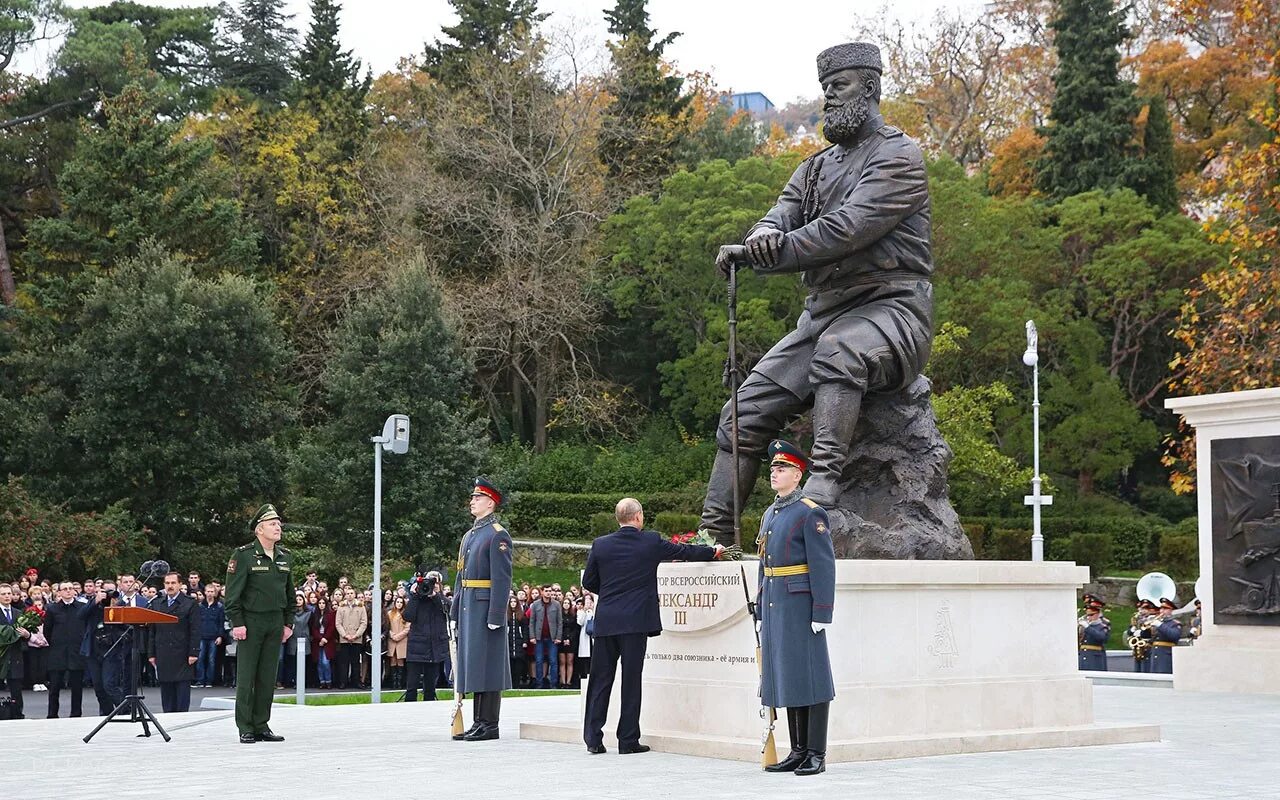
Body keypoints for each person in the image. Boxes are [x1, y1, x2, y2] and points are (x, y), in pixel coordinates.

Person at [702, 42, 933, 544]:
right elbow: (781, 213)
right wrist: (756, 239)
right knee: (742, 412)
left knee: (839, 350)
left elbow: (845, 229)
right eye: (825, 89)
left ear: (870, 88)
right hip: (824, 315)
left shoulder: (899, 156)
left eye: (839, 87)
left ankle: (824, 484)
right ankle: (715, 535)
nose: (828, 98)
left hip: (893, 311)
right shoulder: (814, 168)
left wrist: (773, 253)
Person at [582, 497, 725, 755]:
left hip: (607, 620)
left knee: (600, 680)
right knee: (631, 681)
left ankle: (593, 738)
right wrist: (712, 552)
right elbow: (684, 552)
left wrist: (613, 593)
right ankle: (627, 741)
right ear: (638, 517)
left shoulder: (600, 545)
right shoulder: (649, 541)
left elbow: (590, 581)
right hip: (636, 622)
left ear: (618, 518)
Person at [756, 441, 836, 776]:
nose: (774, 474)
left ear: (797, 473)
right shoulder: (770, 513)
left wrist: (821, 612)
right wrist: (761, 607)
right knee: (788, 676)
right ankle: (798, 749)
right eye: (773, 468)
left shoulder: (809, 512)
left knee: (812, 677)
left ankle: (816, 751)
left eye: (782, 468)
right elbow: (763, 564)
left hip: (801, 604)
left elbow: (824, 564)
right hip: (777, 603)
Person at [450, 477, 515, 741]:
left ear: (490, 503)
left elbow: (502, 578)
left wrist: (497, 614)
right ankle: (479, 721)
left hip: (485, 607)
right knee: (475, 665)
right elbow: (460, 576)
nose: (472, 501)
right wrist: (455, 610)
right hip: (468, 606)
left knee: (489, 666)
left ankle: (490, 724)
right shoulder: (471, 535)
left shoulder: (497, 534)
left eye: (477, 498)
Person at [225, 503, 294, 743]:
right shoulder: (243, 555)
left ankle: (261, 724)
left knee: (267, 677)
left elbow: (290, 594)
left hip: (275, 621)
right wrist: (237, 622)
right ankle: (245, 726)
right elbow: (232, 595)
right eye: (272, 524)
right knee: (247, 677)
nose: (278, 527)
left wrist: (288, 623)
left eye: (278, 524)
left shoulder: (285, 557)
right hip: (251, 621)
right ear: (259, 529)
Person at [148, 571, 201, 713]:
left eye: (173, 583)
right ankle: (168, 721)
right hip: (163, 652)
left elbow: (195, 629)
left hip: (182, 652)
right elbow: (152, 631)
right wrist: (151, 653)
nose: (170, 586)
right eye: (167, 583)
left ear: (180, 584)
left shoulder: (190, 603)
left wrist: (194, 652)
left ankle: (181, 721)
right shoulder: (157, 603)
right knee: (166, 692)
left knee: (182, 692)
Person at [79, 581, 127, 715]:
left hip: (111, 649)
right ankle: (107, 714)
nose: (110, 594)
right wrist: (96, 601)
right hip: (93, 649)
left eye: (112, 591)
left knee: (109, 685)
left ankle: (125, 710)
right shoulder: (93, 604)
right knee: (99, 687)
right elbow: (81, 615)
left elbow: (125, 625)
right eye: (107, 591)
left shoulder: (119, 603)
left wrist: (115, 605)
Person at [403, 571, 449, 701]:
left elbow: (448, 610)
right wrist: (415, 596)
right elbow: (407, 616)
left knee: (430, 687)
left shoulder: (441, 600)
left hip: (434, 648)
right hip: (416, 647)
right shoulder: (417, 599)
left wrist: (435, 596)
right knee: (412, 685)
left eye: (434, 582)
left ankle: (429, 710)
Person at [43, 582, 87, 718]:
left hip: (76, 651)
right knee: (54, 686)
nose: (68, 591)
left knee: (77, 687)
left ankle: (76, 714)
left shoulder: (82, 607)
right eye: (65, 589)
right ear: (59, 592)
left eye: (70, 589)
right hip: (58, 652)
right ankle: (52, 714)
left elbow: (85, 629)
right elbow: (47, 631)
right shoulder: (52, 608)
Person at [0, 583, 30, 717]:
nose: (7, 596)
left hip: (15, 655)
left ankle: (18, 713)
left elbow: (26, 634)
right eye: (3, 594)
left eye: (8, 593)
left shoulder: (18, 613)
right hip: (1, 655)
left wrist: (26, 634)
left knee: (16, 688)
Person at [528, 583, 563, 689]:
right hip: (539, 637)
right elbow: (532, 621)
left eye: (550, 591)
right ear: (542, 592)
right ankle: (539, 683)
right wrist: (532, 636)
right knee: (539, 660)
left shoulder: (556, 604)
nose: (548, 593)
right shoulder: (535, 604)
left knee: (553, 660)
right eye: (546, 591)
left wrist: (558, 637)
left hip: (552, 638)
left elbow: (559, 622)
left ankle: (553, 684)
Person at [335, 588, 366, 690]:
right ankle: (343, 682)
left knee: (356, 662)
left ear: (355, 594)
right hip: (344, 639)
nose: (349, 595)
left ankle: (356, 682)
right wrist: (345, 635)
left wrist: (356, 635)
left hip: (356, 639)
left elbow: (363, 623)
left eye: (351, 593)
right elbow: (338, 623)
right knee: (344, 662)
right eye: (347, 593)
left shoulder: (361, 607)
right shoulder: (341, 607)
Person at [196, 585, 225, 688]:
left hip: (214, 636)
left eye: (212, 591)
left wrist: (220, 636)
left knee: (211, 659)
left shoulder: (220, 606)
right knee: (200, 658)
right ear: (205, 592)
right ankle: (200, 680)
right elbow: (197, 622)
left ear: (215, 593)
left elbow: (221, 622)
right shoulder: (199, 606)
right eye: (208, 591)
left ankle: (209, 681)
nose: (210, 593)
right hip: (201, 635)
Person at [281, 594, 312, 689]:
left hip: (304, 638)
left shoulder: (309, 613)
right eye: (296, 599)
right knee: (292, 662)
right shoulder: (290, 613)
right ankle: (293, 680)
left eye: (300, 599)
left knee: (304, 661)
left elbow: (311, 626)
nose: (298, 601)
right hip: (292, 638)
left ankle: (304, 682)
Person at [309, 597, 337, 689]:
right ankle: (322, 681)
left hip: (328, 641)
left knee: (326, 662)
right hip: (317, 642)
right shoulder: (315, 615)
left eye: (323, 603)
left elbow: (331, 628)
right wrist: (320, 638)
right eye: (320, 603)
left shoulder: (331, 614)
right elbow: (313, 628)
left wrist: (325, 638)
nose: (321, 605)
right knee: (319, 662)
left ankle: (328, 681)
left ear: (326, 604)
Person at [1150, 598, 1183, 675]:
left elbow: (1174, 635)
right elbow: (1150, 637)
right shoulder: (1157, 622)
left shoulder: (1175, 623)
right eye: (1161, 609)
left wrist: (1160, 625)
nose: (1161, 611)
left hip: (1166, 656)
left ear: (1171, 610)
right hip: (1155, 654)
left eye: (1165, 609)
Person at [1077, 599, 1110, 672]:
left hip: (1095, 658)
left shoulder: (1102, 626)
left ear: (1098, 614)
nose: (1089, 617)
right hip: (1083, 656)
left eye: (1091, 615)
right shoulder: (1084, 626)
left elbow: (1102, 638)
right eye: (1087, 615)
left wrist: (1088, 627)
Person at [386, 596, 409, 689]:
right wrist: (392, 635)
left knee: (400, 660)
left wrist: (398, 636)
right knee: (393, 659)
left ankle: (399, 682)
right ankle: (393, 682)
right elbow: (386, 626)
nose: (399, 604)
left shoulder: (406, 614)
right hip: (392, 639)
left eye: (401, 602)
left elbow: (407, 628)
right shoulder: (389, 613)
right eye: (397, 602)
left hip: (402, 640)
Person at [506, 597, 529, 688]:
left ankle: (517, 684)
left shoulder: (521, 616)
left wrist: (524, 641)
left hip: (519, 642)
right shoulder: (506, 616)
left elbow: (525, 629)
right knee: (510, 664)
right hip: (509, 642)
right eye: (511, 602)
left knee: (518, 665)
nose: (513, 603)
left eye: (515, 602)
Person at [560, 597, 579, 689]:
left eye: (568, 603)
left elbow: (575, 629)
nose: (566, 605)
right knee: (562, 662)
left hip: (571, 641)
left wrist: (569, 639)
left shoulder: (573, 616)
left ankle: (568, 682)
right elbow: (559, 628)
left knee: (570, 661)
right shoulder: (559, 616)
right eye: (565, 603)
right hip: (561, 640)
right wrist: (563, 639)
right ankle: (563, 682)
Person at [576, 593, 594, 685]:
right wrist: (584, 611)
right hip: (585, 637)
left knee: (593, 657)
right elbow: (580, 622)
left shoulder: (595, 611)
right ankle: (584, 677)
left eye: (590, 600)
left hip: (593, 637)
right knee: (585, 658)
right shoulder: (580, 612)